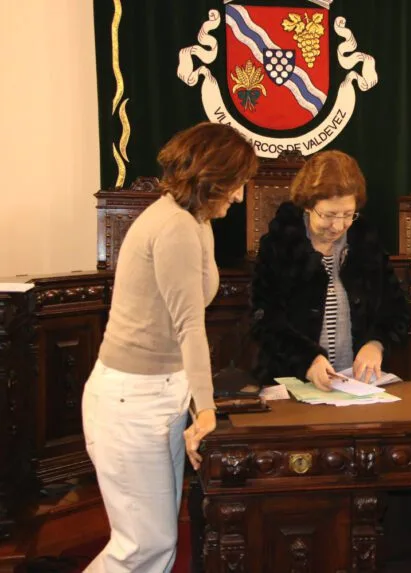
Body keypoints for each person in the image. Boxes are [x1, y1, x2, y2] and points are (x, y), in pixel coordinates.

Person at [81, 122, 258, 571]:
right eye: (236, 184)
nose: (240, 197)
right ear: (212, 178)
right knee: (144, 545)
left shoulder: (196, 221)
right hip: (132, 398)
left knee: (157, 542)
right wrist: (206, 409)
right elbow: (189, 327)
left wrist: (193, 401)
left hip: (161, 390)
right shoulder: (175, 225)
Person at [251, 150, 411, 390]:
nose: (338, 226)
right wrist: (307, 359)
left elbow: (397, 310)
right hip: (293, 383)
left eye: (348, 214)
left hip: (356, 385)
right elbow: (264, 320)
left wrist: (376, 343)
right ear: (308, 205)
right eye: (329, 215)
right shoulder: (281, 244)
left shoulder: (365, 243)